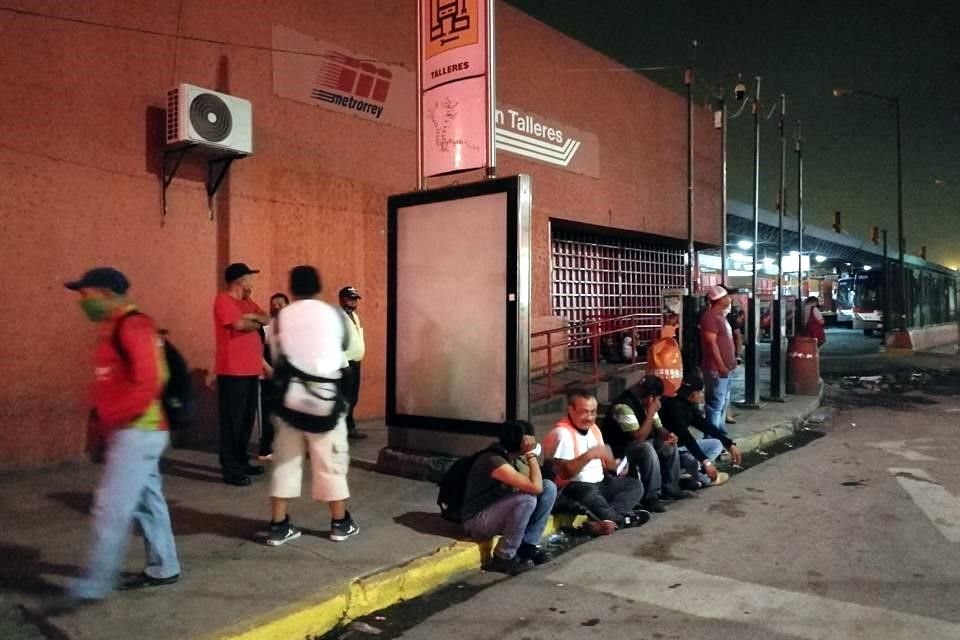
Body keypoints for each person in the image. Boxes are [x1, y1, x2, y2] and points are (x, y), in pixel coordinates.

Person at [48, 268, 181, 614]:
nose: (83, 301)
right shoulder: (116, 326)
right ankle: (164, 565)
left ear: (105, 293)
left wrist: (114, 418)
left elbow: (150, 380)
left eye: (86, 294)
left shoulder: (132, 326)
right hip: (138, 429)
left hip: (137, 429)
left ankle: (93, 585)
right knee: (148, 500)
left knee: (111, 506)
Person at [265, 265, 359, 545]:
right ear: (318, 285)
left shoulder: (282, 318)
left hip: (290, 402)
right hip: (324, 399)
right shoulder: (333, 314)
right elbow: (344, 347)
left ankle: (279, 526)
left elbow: (275, 353)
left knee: (285, 462)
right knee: (330, 461)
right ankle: (340, 523)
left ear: (292, 288)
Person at [543, 389, 648, 536]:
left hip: (601, 482)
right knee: (588, 493)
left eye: (593, 412)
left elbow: (604, 463)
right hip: (573, 488)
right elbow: (566, 474)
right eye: (584, 412)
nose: (590, 417)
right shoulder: (562, 434)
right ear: (570, 410)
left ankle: (606, 521)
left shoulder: (593, 429)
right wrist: (589, 455)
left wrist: (614, 465)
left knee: (634, 486)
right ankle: (620, 520)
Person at [461, 421, 558, 575]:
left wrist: (529, 458)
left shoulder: (513, 458)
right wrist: (531, 455)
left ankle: (528, 546)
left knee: (549, 488)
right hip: (476, 521)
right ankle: (503, 557)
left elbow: (539, 485)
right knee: (527, 499)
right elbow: (534, 487)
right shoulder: (494, 460)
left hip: (498, 513)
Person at [214, 262, 270, 486]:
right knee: (232, 421)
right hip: (232, 370)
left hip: (250, 369)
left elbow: (265, 318)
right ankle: (230, 469)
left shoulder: (246, 301)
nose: (252, 282)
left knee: (246, 420)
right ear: (239, 280)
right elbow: (238, 324)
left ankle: (241, 460)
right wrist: (252, 320)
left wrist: (252, 319)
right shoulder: (223, 300)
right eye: (249, 277)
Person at [603, 375, 689, 514]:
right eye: (658, 398)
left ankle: (671, 487)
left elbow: (659, 428)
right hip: (620, 451)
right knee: (646, 448)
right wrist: (650, 412)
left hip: (637, 445)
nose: (658, 401)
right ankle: (651, 497)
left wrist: (668, 436)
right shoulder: (623, 406)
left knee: (666, 444)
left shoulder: (646, 403)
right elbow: (638, 438)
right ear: (651, 397)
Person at [660, 377, 742, 489]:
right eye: (700, 392)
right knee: (691, 459)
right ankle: (701, 478)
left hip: (683, 447)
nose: (702, 395)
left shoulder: (688, 405)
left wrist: (729, 443)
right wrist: (706, 462)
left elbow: (705, 426)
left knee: (716, 444)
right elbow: (687, 438)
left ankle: (691, 473)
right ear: (693, 394)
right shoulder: (675, 408)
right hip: (671, 449)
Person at [699, 285, 737, 434]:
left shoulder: (720, 316)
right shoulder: (710, 317)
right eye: (726, 296)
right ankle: (712, 440)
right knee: (715, 406)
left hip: (725, 369)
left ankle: (720, 438)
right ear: (719, 299)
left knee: (721, 404)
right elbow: (711, 344)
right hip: (716, 370)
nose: (729, 299)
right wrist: (721, 366)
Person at [257, 293, 289, 461]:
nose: (276, 306)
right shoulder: (265, 327)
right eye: (273, 304)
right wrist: (268, 369)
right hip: (270, 377)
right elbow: (257, 351)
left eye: (280, 304)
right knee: (269, 413)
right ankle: (265, 449)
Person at [339, 286, 367, 440]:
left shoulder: (354, 316)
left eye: (355, 298)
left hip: (355, 362)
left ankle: (349, 427)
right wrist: (344, 363)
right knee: (344, 398)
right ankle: (342, 429)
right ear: (342, 299)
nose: (354, 301)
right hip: (345, 364)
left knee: (352, 398)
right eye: (350, 298)